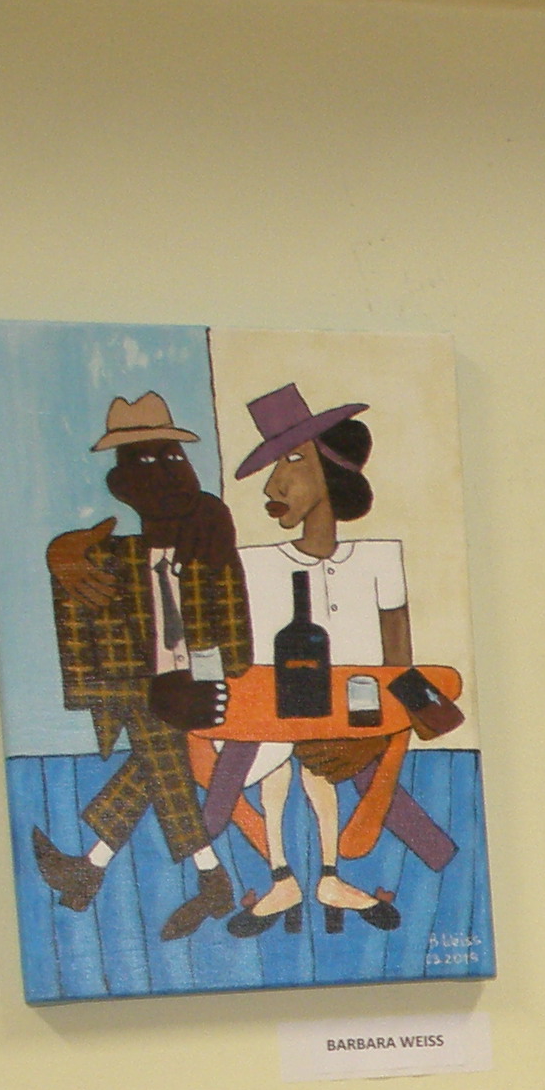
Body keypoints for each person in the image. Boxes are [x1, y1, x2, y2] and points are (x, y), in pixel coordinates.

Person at [30, 394, 253, 941]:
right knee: (157, 739)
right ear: (121, 484)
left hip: (206, 696)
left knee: (157, 746)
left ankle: (92, 871)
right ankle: (208, 876)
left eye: (172, 458)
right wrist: (58, 555)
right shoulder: (107, 563)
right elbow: (84, 668)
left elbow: (236, 644)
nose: (164, 473)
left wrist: (209, 680)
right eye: (144, 461)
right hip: (141, 697)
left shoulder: (207, 549)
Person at [226, 381, 407, 936]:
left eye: (293, 461)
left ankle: (327, 876)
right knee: (280, 749)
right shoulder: (254, 565)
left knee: (318, 757)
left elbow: (400, 661)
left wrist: (385, 729)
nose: (274, 485)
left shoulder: (378, 560)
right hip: (275, 721)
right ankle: (284, 876)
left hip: (359, 724)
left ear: (332, 471)